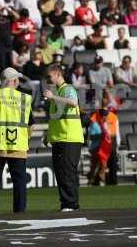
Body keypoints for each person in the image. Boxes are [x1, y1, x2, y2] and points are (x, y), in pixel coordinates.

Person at [0, 67, 34, 215]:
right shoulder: (25, 98)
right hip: (18, 146)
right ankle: (20, 211)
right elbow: (30, 124)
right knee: (20, 181)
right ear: (14, 80)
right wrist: (25, 138)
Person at [43, 64, 85, 211]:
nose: (48, 80)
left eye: (49, 77)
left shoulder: (67, 89)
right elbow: (56, 118)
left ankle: (70, 203)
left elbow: (74, 102)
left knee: (66, 172)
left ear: (58, 74)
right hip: (60, 138)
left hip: (69, 138)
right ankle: (68, 203)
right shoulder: (59, 92)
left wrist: (53, 97)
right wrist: (47, 135)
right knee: (62, 172)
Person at [88, 91, 120, 186]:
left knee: (111, 166)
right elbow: (91, 134)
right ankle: (95, 181)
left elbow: (117, 133)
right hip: (98, 145)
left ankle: (110, 182)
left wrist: (116, 144)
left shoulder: (113, 117)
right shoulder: (94, 117)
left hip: (111, 144)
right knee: (97, 165)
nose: (104, 115)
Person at [0, 5, 19, 72]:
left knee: (10, 65)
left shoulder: (8, 18)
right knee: (2, 65)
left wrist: (8, 9)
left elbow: (17, 17)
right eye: (0, 10)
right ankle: (2, 80)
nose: (1, 11)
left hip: (8, 44)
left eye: (2, 10)